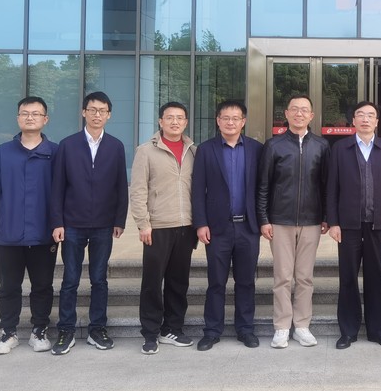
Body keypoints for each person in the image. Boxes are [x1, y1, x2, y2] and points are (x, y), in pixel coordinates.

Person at [0, 96, 59, 355]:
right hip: (8, 234)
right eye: (25, 113)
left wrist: (60, 224)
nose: (30, 117)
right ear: (18, 118)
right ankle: (8, 332)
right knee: (9, 286)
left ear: (45, 119)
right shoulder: (2, 153)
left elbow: (65, 193)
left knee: (42, 286)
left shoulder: (56, 153)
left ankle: (39, 330)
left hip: (44, 234)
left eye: (36, 113)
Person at [50, 91, 129, 355]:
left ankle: (97, 329)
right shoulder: (67, 145)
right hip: (72, 224)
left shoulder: (116, 146)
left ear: (109, 115)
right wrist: (57, 221)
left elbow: (121, 186)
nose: (97, 115)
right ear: (84, 112)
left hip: (104, 224)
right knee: (70, 279)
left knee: (99, 279)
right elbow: (57, 187)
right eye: (92, 110)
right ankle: (66, 330)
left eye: (102, 110)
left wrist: (119, 219)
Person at [257, 94, 330, 349]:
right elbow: (263, 185)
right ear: (286, 114)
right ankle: (281, 326)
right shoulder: (273, 145)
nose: (299, 114)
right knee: (283, 277)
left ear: (312, 115)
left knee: (305, 277)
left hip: (311, 221)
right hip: (280, 220)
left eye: (304, 110)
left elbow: (326, 185)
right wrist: (264, 218)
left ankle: (301, 326)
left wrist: (326, 217)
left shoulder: (321, 145)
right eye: (294, 109)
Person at [327, 101, 381, 349]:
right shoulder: (340, 148)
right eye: (360, 115)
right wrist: (333, 222)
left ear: (377, 121)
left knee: (376, 277)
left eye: (370, 115)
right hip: (348, 225)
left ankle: (379, 331)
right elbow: (331, 187)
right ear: (353, 120)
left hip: (378, 224)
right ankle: (348, 331)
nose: (365, 119)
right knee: (348, 277)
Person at [192, 100, 263, 351]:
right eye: (225, 118)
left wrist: (264, 221)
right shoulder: (206, 150)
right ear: (218, 121)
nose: (230, 122)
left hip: (248, 228)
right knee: (216, 282)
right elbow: (197, 190)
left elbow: (263, 189)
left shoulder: (256, 149)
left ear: (243, 121)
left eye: (236, 118)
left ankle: (245, 329)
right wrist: (201, 223)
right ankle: (212, 331)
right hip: (217, 228)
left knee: (246, 282)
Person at [130, 102, 197, 355]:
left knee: (178, 282)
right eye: (169, 117)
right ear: (161, 121)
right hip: (157, 227)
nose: (175, 122)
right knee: (152, 281)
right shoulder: (146, 151)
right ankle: (150, 332)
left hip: (186, 226)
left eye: (180, 118)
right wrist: (143, 223)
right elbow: (138, 190)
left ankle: (172, 328)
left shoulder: (193, 151)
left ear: (186, 122)